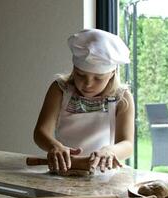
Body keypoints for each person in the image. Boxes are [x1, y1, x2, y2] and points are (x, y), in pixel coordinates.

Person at [33, 28, 135, 174]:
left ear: (112, 73)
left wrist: (110, 151)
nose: (87, 84)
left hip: (105, 173)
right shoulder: (60, 90)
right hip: (64, 169)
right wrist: (54, 146)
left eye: (98, 79)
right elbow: (41, 132)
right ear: (74, 69)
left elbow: (127, 144)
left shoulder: (122, 98)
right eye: (80, 75)